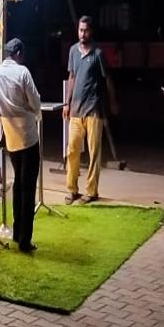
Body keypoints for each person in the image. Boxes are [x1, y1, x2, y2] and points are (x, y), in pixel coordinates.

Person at [0, 37, 42, 252]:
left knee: (18, 185)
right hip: (28, 136)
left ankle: (16, 230)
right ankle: (24, 240)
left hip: (10, 137)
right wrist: (32, 112)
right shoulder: (22, 72)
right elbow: (36, 102)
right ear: (18, 53)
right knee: (27, 188)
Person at [63, 15, 116, 204]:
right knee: (72, 151)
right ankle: (72, 190)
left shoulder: (98, 54)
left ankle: (91, 192)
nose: (82, 33)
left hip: (94, 109)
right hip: (76, 110)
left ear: (91, 31)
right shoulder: (73, 51)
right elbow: (71, 76)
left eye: (85, 30)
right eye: (80, 30)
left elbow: (107, 79)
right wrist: (67, 103)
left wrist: (112, 102)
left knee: (94, 152)